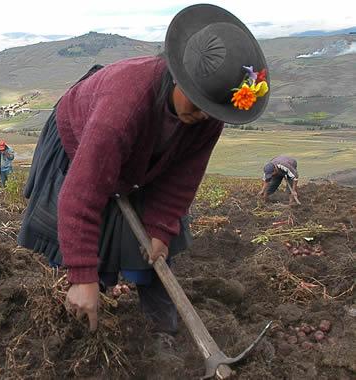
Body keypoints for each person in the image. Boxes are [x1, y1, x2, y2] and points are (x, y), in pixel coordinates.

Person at [18, 3, 269, 347]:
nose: (201, 116)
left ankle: (163, 331)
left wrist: (162, 227)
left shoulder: (207, 117)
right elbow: (82, 193)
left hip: (144, 155)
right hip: (83, 140)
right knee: (82, 247)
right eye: (195, 104)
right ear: (177, 77)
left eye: (211, 110)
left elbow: (183, 176)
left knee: (155, 249)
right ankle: (76, 314)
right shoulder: (122, 108)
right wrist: (82, 275)